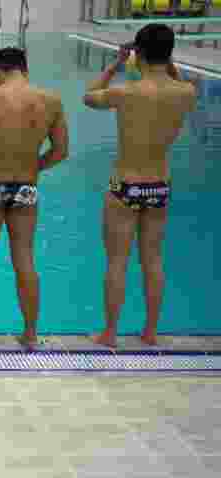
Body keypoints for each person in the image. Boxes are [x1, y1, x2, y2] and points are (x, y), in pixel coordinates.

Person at [83, 25, 196, 348]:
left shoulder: (125, 92)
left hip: (126, 186)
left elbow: (89, 96)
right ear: (169, 54)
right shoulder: (186, 92)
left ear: (138, 52)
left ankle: (110, 333)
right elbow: (175, 79)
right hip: (159, 187)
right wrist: (166, 61)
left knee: (117, 262)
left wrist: (116, 64)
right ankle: (150, 332)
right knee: (153, 261)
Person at [0, 47, 69, 351]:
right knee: (25, 261)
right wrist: (34, 168)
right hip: (26, 188)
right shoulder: (52, 101)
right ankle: (30, 335)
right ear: (24, 69)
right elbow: (61, 151)